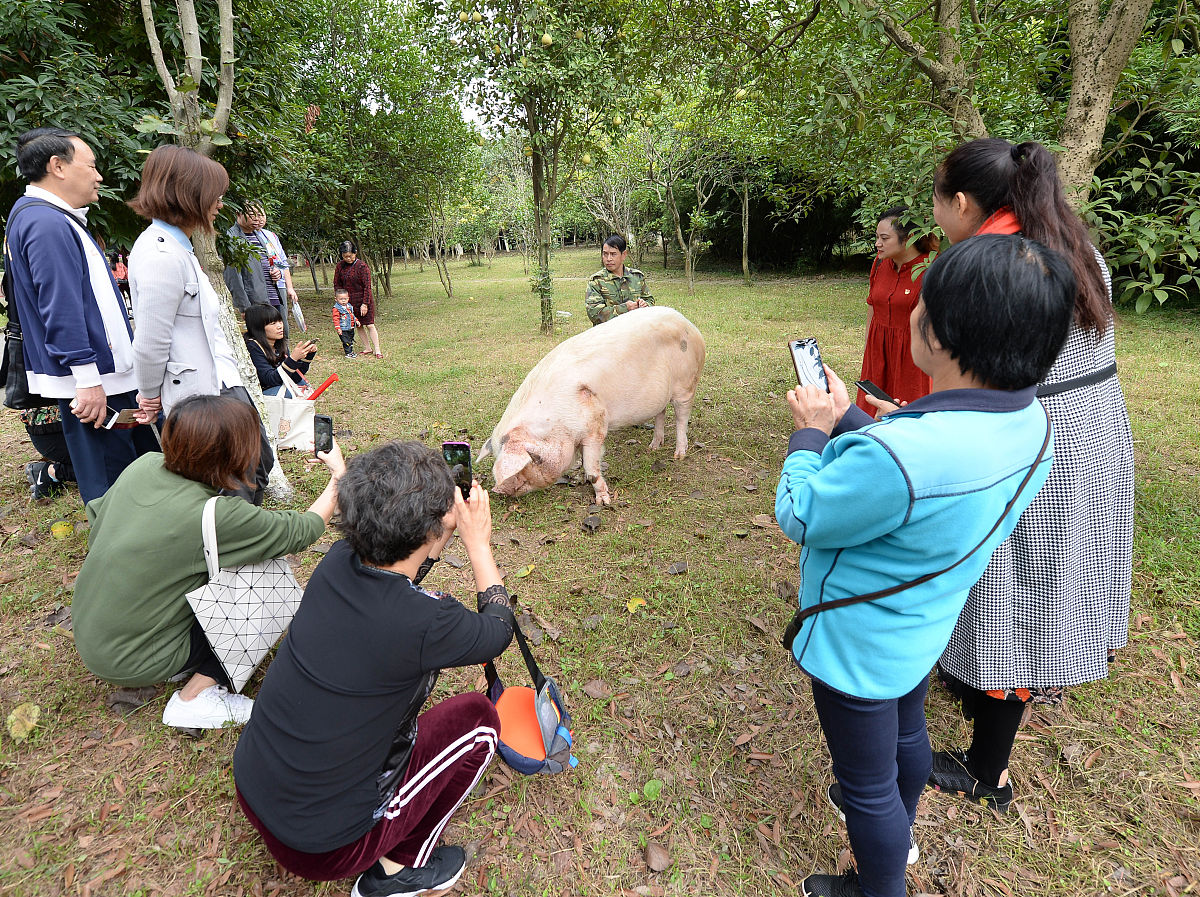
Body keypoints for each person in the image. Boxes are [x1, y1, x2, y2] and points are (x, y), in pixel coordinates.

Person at [775, 235, 1074, 897]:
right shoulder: (1033, 425)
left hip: (858, 644)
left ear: (942, 337)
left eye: (924, 307)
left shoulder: (905, 454)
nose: (913, 313)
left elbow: (802, 510)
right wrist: (850, 415)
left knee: (866, 785)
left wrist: (810, 435)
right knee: (908, 730)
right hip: (923, 623)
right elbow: (914, 465)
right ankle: (899, 830)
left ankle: (880, 885)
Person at [916, 137, 1134, 813]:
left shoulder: (1003, 263)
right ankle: (981, 684)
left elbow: (976, 373)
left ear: (961, 203)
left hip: (1044, 438)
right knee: (1049, 574)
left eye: (936, 199)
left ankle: (989, 768)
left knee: (1020, 583)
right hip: (1093, 428)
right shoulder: (1065, 238)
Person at [233, 441, 515, 896]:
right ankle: (398, 872)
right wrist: (478, 546)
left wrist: (435, 540)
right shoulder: (428, 622)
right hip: (323, 849)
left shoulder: (334, 564)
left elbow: (396, 577)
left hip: (253, 787)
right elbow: (497, 631)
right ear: (430, 529)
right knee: (478, 722)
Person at [71, 394, 345, 730]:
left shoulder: (143, 466)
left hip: (92, 634)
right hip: (138, 659)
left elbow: (97, 513)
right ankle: (195, 697)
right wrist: (337, 479)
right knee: (266, 583)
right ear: (235, 453)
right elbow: (302, 530)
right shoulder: (219, 515)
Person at [3, 128, 158, 504]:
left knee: (134, 470)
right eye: (90, 166)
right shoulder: (45, 223)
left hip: (101, 376)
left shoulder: (53, 218)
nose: (99, 176)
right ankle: (123, 554)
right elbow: (59, 304)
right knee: (113, 481)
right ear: (57, 166)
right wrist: (86, 377)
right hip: (94, 381)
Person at [127, 145, 273, 505]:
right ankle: (233, 556)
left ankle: (244, 550)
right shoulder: (159, 256)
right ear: (188, 195)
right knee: (233, 486)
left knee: (257, 466)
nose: (219, 205)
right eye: (215, 196)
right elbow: (150, 340)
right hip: (200, 394)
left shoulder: (180, 249)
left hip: (222, 383)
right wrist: (148, 394)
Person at [855, 206, 935, 414]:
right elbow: (872, 306)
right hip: (878, 352)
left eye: (884, 238)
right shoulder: (879, 265)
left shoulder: (931, 269)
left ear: (907, 239)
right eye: (876, 237)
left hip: (913, 358)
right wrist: (869, 349)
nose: (877, 244)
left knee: (909, 416)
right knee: (871, 416)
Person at [223, 201, 297, 336]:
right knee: (263, 340)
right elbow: (233, 278)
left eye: (259, 214)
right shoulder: (232, 239)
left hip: (273, 296)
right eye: (252, 214)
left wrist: (276, 273)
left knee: (280, 336)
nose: (257, 218)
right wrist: (244, 306)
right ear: (238, 214)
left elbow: (274, 262)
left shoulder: (261, 236)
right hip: (256, 301)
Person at [244, 304, 316, 396]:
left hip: (278, 387)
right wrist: (292, 359)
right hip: (261, 393)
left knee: (302, 384)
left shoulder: (279, 344)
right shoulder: (253, 347)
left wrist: (307, 356)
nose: (280, 326)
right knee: (289, 393)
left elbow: (295, 378)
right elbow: (270, 380)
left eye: (280, 321)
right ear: (258, 327)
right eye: (273, 323)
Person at [585, 234, 653, 325]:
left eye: (613, 254)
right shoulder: (596, 281)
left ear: (624, 255)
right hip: (609, 334)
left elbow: (650, 300)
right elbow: (594, 313)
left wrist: (645, 305)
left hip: (636, 331)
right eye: (605, 254)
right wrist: (625, 309)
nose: (608, 259)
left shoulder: (637, 277)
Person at [334, 241, 381, 357]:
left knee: (369, 324)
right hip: (349, 301)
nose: (348, 258)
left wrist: (365, 303)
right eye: (345, 256)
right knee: (358, 325)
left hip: (363, 298)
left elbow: (367, 287)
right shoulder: (340, 266)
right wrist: (341, 299)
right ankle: (367, 347)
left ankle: (377, 349)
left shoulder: (362, 266)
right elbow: (337, 284)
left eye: (350, 256)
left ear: (355, 253)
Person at [22, 405, 76, 501]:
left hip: (53, 428)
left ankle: (60, 469)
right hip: (56, 432)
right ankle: (54, 472)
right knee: (107, 467)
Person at [332, 288, 360, 358]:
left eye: (345, 299)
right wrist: (338, 328)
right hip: (343, 328)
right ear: (336, 299)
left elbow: (351, 315)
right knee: (346, 341)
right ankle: (348, 353)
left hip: (350, 326)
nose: (343, 301)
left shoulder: (349, 306)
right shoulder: (336, 308)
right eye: (341, 299)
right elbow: (336, 319)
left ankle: (351, 351)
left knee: (350, 339)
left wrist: (356, 320)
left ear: (348, 298)